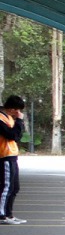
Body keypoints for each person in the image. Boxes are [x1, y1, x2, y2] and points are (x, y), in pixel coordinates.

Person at [0, 95, 26, 224]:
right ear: (11, 109)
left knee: (15, 187)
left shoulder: (9, 118)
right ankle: (2, 215)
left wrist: (19, 123)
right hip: (4, 156)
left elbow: (18, 135)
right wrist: (19, 122)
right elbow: (12, 135)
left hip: (12, 155)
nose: (18, 113)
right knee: (6, 187)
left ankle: (9, 214)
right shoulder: (0, 119)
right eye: (17, 110)